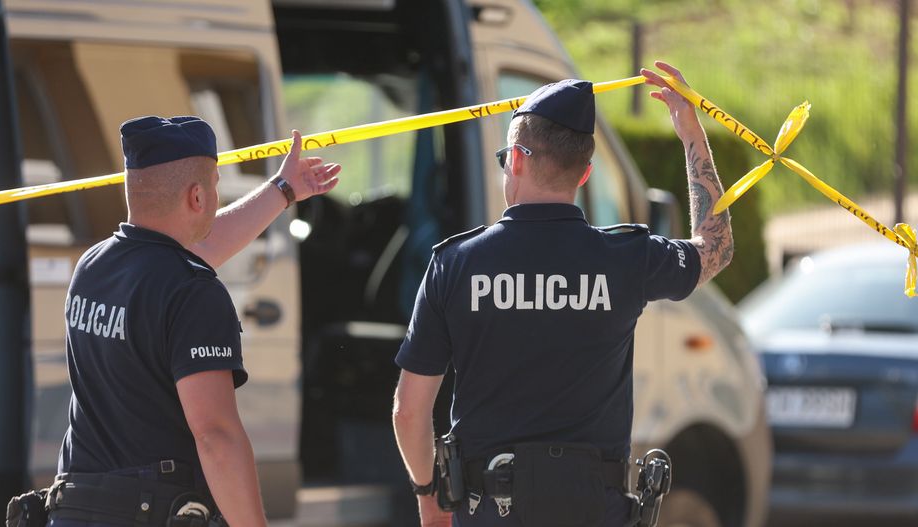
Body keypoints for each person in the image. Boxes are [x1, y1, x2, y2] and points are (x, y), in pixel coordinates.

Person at [391, 62, 734, 527]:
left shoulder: (455, 264)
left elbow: (409, 411)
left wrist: (429, 498)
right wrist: (692, 134)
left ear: (516, 159)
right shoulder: (627, 259)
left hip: (489, 512)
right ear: (585, 173)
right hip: (596, 511)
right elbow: (715, 248)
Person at [44, 116, 340, 527]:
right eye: (216, 185)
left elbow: (191, 249)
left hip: (75, 510)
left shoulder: (95, 265)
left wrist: (283, 190)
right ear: (198, 197)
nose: (217, 196)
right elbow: (215, 436)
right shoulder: (192, 291)